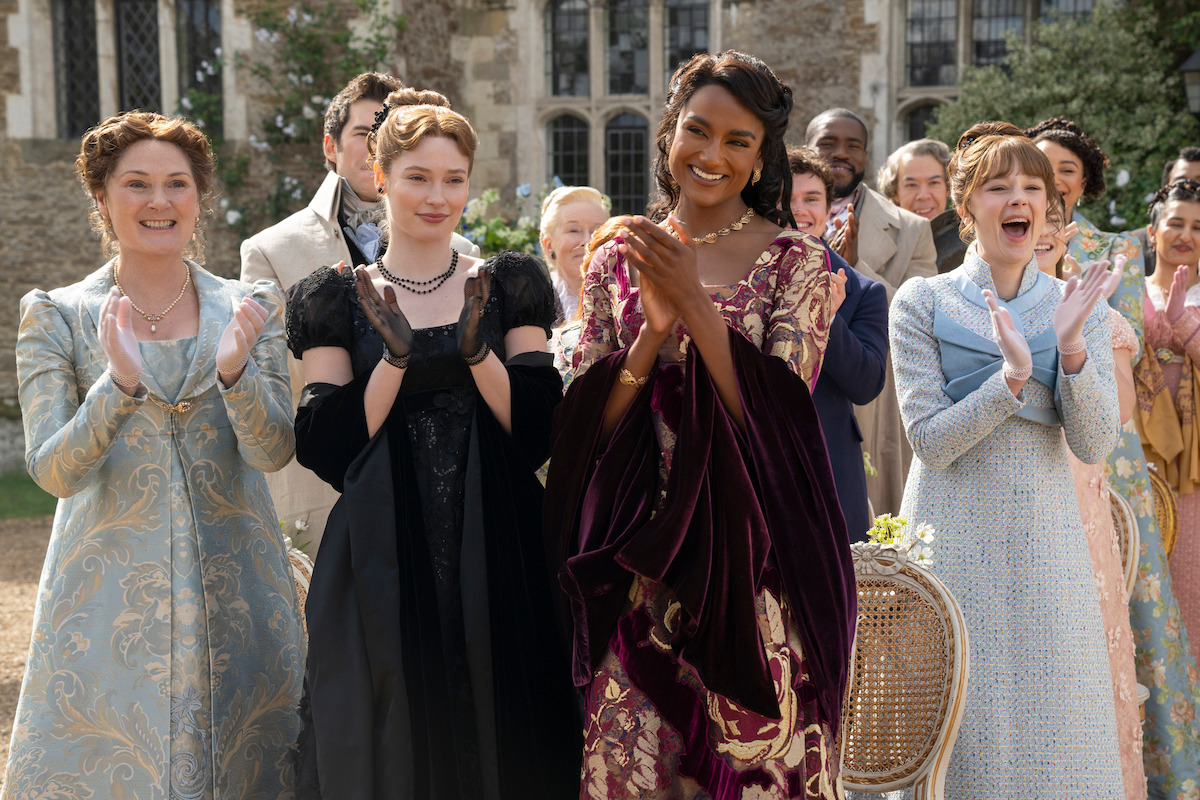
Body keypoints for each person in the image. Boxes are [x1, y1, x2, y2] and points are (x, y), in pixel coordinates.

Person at [546, 51, 856, 798]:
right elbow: (586, 425)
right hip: (636, 563)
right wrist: (651, 335)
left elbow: (778, 419)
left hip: (757, 573)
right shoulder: (617, 255)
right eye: (697, 130)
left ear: (760, 159)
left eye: (738, 141)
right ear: (668, 134)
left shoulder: (799, 265)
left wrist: (693, 304)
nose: (712, 155)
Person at [286, 88, 580, 798]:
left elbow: (540, 434)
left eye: (453, 179)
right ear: (380, 177)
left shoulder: (510, 284)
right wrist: (393, 361)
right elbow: (326, 446)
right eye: (418, 177)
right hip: (382, 545)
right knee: (391, 723)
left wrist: (480, 358)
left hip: (502, 540)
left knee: (507, 722)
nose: (437, 196)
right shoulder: (335, 296)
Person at [5, 111, 304, 796]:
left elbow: (273, 451)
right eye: (136, 183)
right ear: (103, 198)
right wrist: (118, 386)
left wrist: (235, 376)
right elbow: (53, 471)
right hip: (105, 608)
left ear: (199, 197)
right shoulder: (57, 313)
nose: (159, 201)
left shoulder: (250, 306)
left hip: (241, 590)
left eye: (177, 184)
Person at [891, 123, 1124, 797]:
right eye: (999, 187)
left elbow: (1095, 442)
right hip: (949, 542)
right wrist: (1010, 383)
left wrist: (1073, 350)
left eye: (1033, 187)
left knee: (1052, 723)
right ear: (968, 209)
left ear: (1050, 209)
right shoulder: (923, 301)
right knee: (958, 725)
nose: (1018, 198)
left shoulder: (1078, 306)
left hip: (1047, 547)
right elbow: (931, 442)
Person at [1028, 117, 1200, 795]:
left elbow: (1142, 358)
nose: (1051, 181)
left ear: (1087, 182)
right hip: (1035, 440)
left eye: (1065, 170)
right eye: (1038, 168)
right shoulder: (1003, 247)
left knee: (1127, 596)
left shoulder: (1118, 251)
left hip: (1116, 452)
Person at [240, 72, 479, 553]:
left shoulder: (462, 249)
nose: (378, 144)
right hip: (327, 481)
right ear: (331, 145)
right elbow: (269, 374)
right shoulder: (271, 250)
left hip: (435, 479)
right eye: (365, 134)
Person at [1034, 217, 1146, 800]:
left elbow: (1120, 411)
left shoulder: (1104, 315)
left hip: (1078, 500)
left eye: (1056, 218)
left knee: (1077, 659)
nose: (1045, 229)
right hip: (1009, 503)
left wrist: (1079, 329)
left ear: (1069, 230)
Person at [806, 107, 937, 520]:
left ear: (867, 155)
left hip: (875, 404)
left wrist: (855, 267)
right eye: (827, 144)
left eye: (852, 146)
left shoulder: (912, 228)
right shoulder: (769, 220)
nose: (839, 154)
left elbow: (922, 313)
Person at [789, 144, 888, 540]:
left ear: (831, 208)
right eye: (786, 198)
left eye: (811, 198)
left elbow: (866, 384)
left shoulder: (865, 292)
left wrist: (826, 321)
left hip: (830, 462)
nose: (799, 209)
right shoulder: (744, 285)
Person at [1139, 180, 1200, 667]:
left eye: (1198, 226)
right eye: (1175, 223)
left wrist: (1186, 325)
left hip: (1193, 466)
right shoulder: (1123, 290)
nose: (1185, 235)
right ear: (1151, 231)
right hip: (1138, 453)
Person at [878, 137, 964, 274]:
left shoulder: (972, 242)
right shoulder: (879, 246)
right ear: (895, 192)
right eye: (911, 185)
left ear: (948, 188)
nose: (923, 195)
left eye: (934, 183)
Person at [539, 184, 610, 323]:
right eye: (574, 230)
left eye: (597, 231)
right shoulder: (537, 299)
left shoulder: (623, 298)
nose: (588, 240)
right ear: (549, 245)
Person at [1135, 147, 1200, 276]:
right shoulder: (1129, 247)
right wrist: (1098, 296)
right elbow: (1101, 294)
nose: (1190, 189)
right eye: (1180, 183)